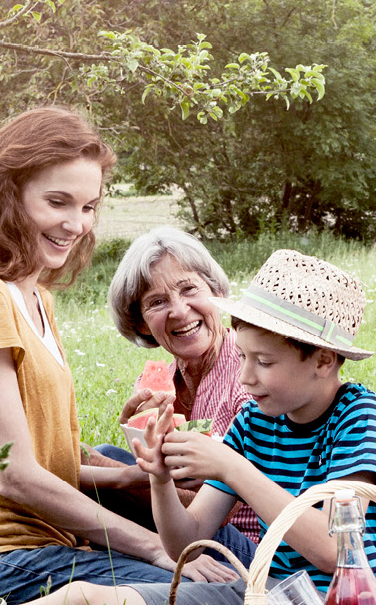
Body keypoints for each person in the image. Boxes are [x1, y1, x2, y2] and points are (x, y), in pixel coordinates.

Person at [0, 250, 376, 605]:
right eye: (243, 358)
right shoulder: (259, 420)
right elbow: (185, 540)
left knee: (103, 603)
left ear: (324, 360)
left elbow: (338, 552)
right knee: (82, 602)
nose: (246, 377)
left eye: (263, 362)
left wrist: (234, 466)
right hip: (268, 590)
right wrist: (159, 477)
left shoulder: (361, 419)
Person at [0, 106, 234, 605]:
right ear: (8, 196)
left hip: (40, 548)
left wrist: (131, 479)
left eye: (89, 206)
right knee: (202, 597)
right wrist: (155, 548)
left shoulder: (36, 298)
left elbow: (45, 453)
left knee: (204, 588)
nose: (75, 224)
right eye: (57, 202)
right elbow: (17, 476)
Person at [97, 227, 261, 541]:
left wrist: (107, 470)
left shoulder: (250, 373)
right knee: (106, 455)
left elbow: (221, 508)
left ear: (215, 291)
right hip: (181, 523)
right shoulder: (159, 381)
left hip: (239, 538)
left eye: (188, 289)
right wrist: (137, 437)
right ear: (141, 322)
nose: (179, 311)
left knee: (96, 465)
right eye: (157, 302)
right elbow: (161, 473)